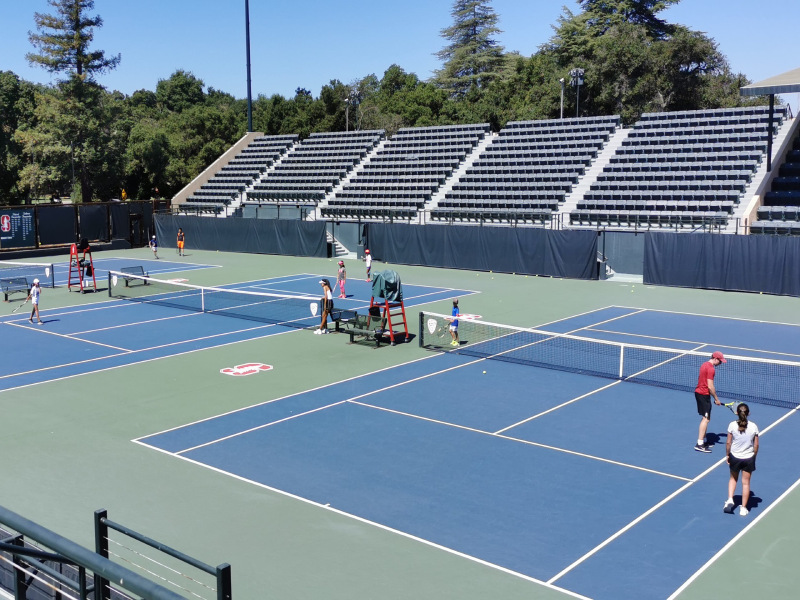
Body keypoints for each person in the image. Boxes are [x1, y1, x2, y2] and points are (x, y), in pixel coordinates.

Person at [723, 403, 759, 516]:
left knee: (733, 479)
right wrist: (754, 456)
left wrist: (727, 455)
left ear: (737, 413)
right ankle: (743, 508)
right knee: (746, 483)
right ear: (748, 413)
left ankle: (730, 499)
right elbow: (756, 445)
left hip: (735, 457)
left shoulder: (732, 425)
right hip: (748, 458)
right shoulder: (753, 426)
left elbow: (728, 442)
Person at [694, 351, 725, 452]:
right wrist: (716, 399)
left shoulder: (704, 364)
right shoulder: (711, 369)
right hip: (703, 395)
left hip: (699, 393)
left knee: (705, 418)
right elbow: (710, 387)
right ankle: (699, 444)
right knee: (706, 419)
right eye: (720, 361)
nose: (720, 364)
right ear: (715, 359)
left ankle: (703, 441)